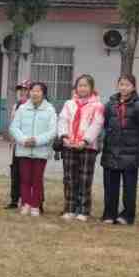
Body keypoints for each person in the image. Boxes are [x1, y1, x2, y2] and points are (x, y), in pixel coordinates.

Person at [55, 74, 104, 221]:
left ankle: (83, 210)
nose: (82, 88)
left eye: (85, 85)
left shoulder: (97, 106)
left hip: (87, 147)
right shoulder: (69, 104)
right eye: (80, 85)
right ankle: (70, 208)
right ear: (76, 88)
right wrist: (64, 137)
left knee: (84, 179)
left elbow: (97, 124)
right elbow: (63, 120)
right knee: (69, 178)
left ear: (91, 88)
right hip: (69, 145)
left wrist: (85, 141)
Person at [99, 74, 139, 226]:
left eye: (127, 85)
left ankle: (127, 215)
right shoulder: (109, 105)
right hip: (111, 151)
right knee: (110, 186)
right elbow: (105, 125)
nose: (124, 87)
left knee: (129, 187)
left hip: (130, 152)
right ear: (118, 86)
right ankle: (109, 213)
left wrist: (134, 142)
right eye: (121, 84)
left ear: (133, 87)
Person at [7, 81, 57, 216]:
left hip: (41, 150)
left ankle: (35, 205)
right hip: (23, 149)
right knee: (25, 178)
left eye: (38, 91)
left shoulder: (50, 110)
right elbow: (14, 127)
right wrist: (24, 140)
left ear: (43, 94)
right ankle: (26, 203)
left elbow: (52, 131)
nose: (35, 93)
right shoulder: (22, 108)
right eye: (33, 91)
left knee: (37, 179)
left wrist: (37, 140)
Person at [4, 81, 30, 210]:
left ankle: (28, 199)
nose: (22, 92)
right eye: (21, 90)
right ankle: (14, 199)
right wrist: (12, 139)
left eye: (25, 89)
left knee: (27, 173)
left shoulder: (33, 106)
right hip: (17, 144)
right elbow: (13, 123)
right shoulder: (17, 105)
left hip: (29, 144)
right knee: (15, 171)